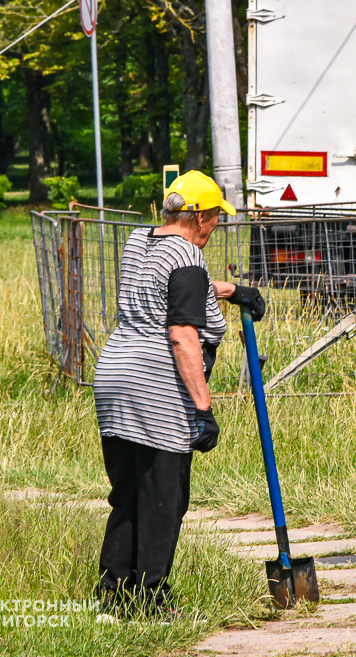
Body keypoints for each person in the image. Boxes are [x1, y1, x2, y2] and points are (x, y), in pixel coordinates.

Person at [93, 170, 265, 619]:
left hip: (115, 377)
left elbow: (168, 286)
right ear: (201, 217)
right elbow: (182, 335)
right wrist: (204, 407)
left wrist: (229, 290)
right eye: (215, 220)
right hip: (157, 384)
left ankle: (113, 595)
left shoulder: (139, 240)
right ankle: (151, 597)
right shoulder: (188, 256)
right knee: (165, 497)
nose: (215, 228)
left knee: (128, 493)